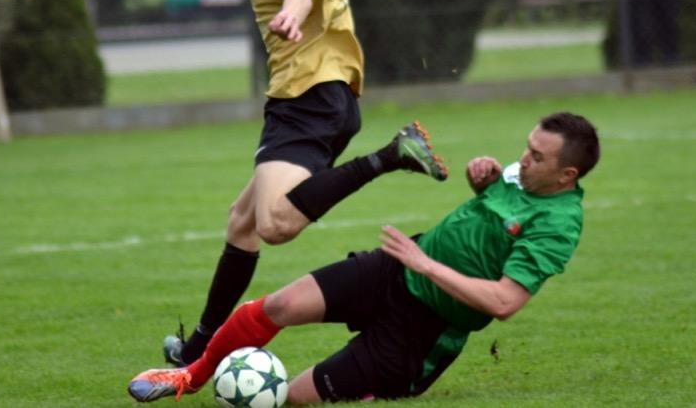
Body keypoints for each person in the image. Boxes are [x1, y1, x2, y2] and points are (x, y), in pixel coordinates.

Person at [160, 0, 450, 367]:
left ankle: (391, 155)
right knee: (243, 220)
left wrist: (292, 13)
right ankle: (200, 348)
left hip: (304, 95)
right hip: (334, 91)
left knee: (273, 224)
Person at [129, 112, 601, 404]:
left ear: (567, 175)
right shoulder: (523, 173)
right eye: (527, 147)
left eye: (538, 156)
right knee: (280, 305)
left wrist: (427, 265)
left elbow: (504, 302)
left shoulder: (559, 225)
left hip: (424, 326)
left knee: (292, 397)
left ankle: (385, 384)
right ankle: (189, 376)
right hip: (396, 267)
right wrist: (484, 182)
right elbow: (494, 215)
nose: (524, 158)